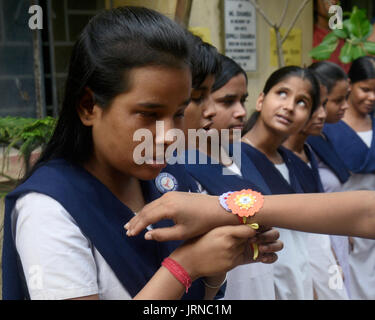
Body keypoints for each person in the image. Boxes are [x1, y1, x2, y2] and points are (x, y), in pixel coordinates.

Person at [1, 7, 278, 300]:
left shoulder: (171, 179)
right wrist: (185, 266)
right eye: (149, 114)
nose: (169, 136)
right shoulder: (48, 208)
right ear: (87, 106)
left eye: (180, 113)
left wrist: (215, 268)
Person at [184, 54, 277, 300]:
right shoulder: (177, 171)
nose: (240, 112)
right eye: (227, 101)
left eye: (242, 100)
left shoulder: (245, 156)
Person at [239, 66, 322, 299]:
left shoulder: (298, 167)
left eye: (302, 102)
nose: (289, 106)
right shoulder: (231, 160)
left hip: (299, 286)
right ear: (261, 100)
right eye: (282, 93)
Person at [283, 76, 349, 299]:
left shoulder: (310, 150)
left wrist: (334, 258)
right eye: (312, 105)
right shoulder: (282, 160)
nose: (321, 114)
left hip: (325, 250)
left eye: (323, 105)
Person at [322, 56, 375, 299]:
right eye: (365, 89)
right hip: (345, 220)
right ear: (350, 84)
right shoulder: (327, 125)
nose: (371, 97)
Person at [306, 61, 352, 297]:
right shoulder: (302, 146)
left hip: (336, 238)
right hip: (321, 245)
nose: (345, 106)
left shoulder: (321, 137)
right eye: (336, 100)